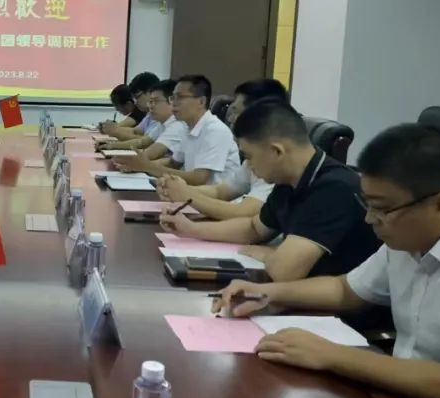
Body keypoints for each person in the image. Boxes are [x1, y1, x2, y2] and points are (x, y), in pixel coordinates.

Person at [214, 124, 440, 398]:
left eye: (382, 209)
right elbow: (346, 290)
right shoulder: (410, 238)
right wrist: (268, 294)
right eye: (367, 204)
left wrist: (331, 355)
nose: (370, 218)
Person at [160, 99, 379, 281]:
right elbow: (254, 229)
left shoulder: (334, 188)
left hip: (336, 313)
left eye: (249, 157)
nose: (249, 166)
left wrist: (270, 253)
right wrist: (190, 229)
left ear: (276, 151)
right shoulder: (289, 180)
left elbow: (284, 271)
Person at [157, 78, 287, 220]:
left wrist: (186, 195)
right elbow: (221, 191)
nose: (231, 119)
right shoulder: (254, 157)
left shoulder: (275, 159)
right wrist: (177, 190)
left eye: (236, 112)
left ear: (261, 115)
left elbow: (243, 212)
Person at [155, 75, 240, 185]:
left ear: (201, 101)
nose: (173, 103)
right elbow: (173, 163)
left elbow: (199, 178)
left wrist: (150, 168)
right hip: (194, 192)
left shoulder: (216, 130)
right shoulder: (186, 127)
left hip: (215, 195)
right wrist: (142, 164)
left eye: (180, 97)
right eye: (173, 97)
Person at [109, 78, 187, 159]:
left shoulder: (177, 126)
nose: (150, 106)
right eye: (151, 101)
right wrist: (112, 145)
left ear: (172, 101)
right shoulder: (162, 124)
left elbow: (150, 154)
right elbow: (142, 142)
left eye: (156, 101)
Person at [99, 72, 159, 140]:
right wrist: (113, 131)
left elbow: (146, 141)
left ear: (150, 92)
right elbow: (135, 132)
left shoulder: (158, 115)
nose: (135, 102)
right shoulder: (150, 115)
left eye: (137, 97)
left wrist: (115, 131)